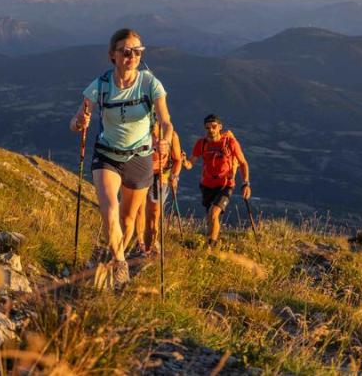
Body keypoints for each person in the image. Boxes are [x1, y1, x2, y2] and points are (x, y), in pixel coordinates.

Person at [70, 28, 173, 287]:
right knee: (109, 208)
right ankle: (119, 262)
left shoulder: (150, 84)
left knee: (128, 220)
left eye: (138, 51)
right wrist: (79, 122)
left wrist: (166, 140)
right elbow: (76, 121)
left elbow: (166, 122)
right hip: (107, 154)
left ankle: (113, 258)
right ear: (113, 55)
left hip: (140, 157)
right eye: (126, 51)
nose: (132, 56)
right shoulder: (101, 85)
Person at [186, 114, 251, 247]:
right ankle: (210, 242)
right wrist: (183, 161)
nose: (211, 130)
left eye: (214, 127)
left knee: (213, 213)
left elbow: (243, 163)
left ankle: (211, 246)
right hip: (207, 185)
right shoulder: (201, 143)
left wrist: (245, 183)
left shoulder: (230, 143)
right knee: (210, 217)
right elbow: (190, 163)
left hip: (225, 185)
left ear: (220, 127)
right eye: (207, 127)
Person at [132, 122, 183, 257]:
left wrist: (174, 175)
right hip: (141, 172)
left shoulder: (171, 136)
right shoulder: (139, 132)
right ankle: (140, 242)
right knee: (139, 208)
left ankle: (152, 241)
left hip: (161, 175)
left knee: (154, 211)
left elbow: (178, 160)